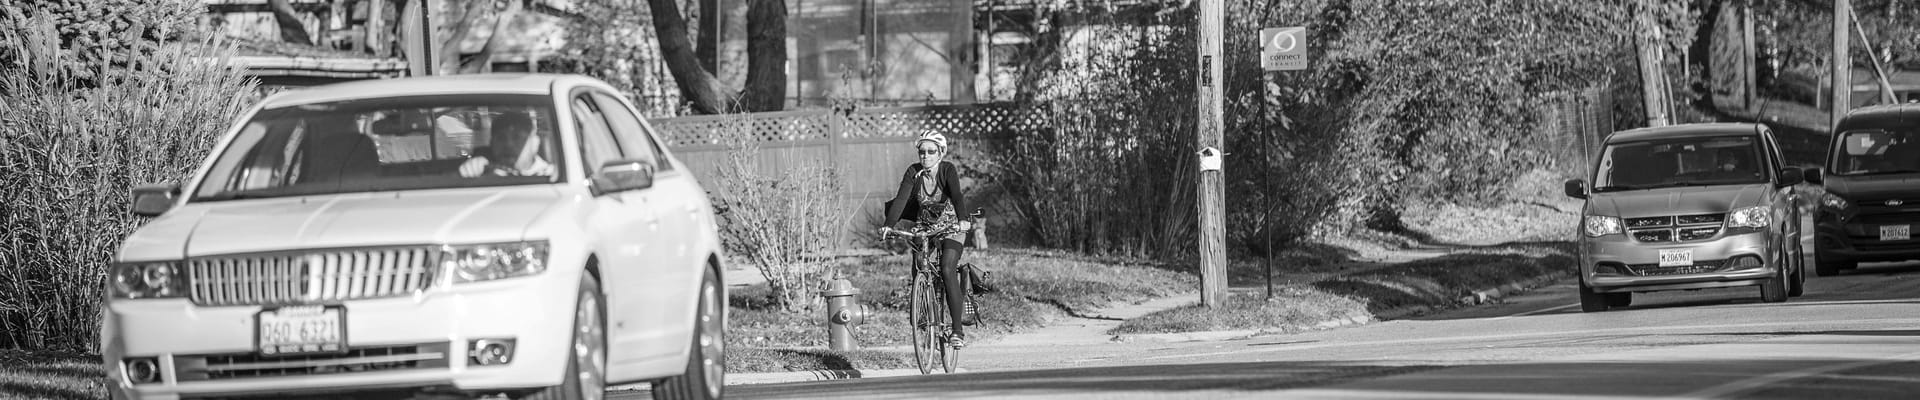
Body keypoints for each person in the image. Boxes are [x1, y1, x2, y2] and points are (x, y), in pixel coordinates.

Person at [879, 131, 973, 348]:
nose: (926, 156)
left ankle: (957, 331)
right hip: (925, 227)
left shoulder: (947, 169)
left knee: (948, 269)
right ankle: (923, 313)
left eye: (931, 151)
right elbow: (902, 199)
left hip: (952, 226)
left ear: (940, 152)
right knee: (919, 267)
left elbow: (957, 195)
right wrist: (889, 225)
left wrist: (963, 219)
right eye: (922, 152)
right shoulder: (914, 172)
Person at [460, 111, 552, 177]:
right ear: (492, 144)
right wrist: (474, 169)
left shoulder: (550, 175)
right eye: (501, 138)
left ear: (535, 143)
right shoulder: (484, 169)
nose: (508, 144)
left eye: (517, 137)